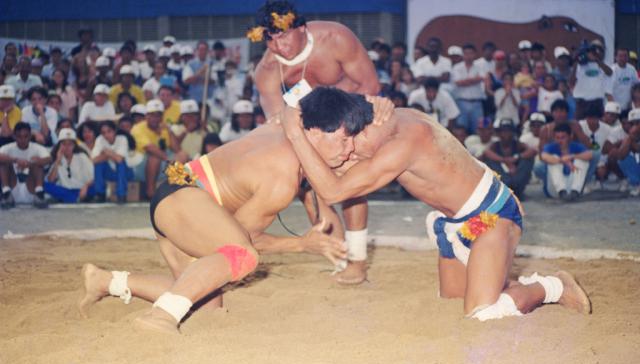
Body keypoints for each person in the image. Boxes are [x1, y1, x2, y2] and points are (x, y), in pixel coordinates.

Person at [76, 94, 389, 335]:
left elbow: (297, 108)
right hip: (184, 201)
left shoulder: (282, 126)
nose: (348, 150)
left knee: (205, 303)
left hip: (180, 194)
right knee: (243, 257)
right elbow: (243, 238)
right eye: (344, 139)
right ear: (317, 132)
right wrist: (300, 245)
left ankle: (107, 281)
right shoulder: (282, 178)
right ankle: (160, 317)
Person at [283, 87, 592, 322]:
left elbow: (334, 191)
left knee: (483, 312)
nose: (341, 154)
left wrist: (295, 133)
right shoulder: (369, 124)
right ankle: (495, 271)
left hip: (492, 218)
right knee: (452, 297)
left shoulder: (400, 141)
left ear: (343, 129)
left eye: (335, 144)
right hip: (457, 225)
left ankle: (553, 287)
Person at [249, 1, 380, 285]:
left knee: (349, 179)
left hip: (355, 113)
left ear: (301, 27)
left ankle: (357, 259)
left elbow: (370, 84)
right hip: (308, 133)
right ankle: (339, 255)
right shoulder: (267, 72)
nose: (278, 45)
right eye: (270, 39)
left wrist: (333, 117)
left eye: (283, 34)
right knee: (309, 188)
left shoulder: (335, 38)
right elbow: (278, 124)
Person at [130, 99, 185, 199]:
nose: (155, 118)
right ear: (146, 116)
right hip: (141, 166)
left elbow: (177, 149)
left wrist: (169, 131)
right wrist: (169, 160)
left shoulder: (163, 127)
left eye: (158, 115)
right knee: (154, 157)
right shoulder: (137, 128)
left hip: (162, 164)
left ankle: (177, 189)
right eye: (152, 115)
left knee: (183, 155)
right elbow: (150, 148)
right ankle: (150, 192)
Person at [0, 122, 51, 209]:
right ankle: (6, 192)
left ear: (30, 136)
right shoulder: (7, 147)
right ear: (14, 136)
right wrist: (16, 160)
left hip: (31, 189)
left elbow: (49, 159)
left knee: (37, 161)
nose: (22, 140)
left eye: (26, 136)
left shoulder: (37, 148)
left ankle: (39, 193)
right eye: (19, 136)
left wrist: (31, 163)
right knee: (4, 161)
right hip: (13, 189)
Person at [482, 118, 535, 198]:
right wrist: (504, 161)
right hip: (503, 181)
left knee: (528, 160)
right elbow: (486, 152)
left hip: (517, 179)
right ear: (499, 133)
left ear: (513, 132)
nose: (506, 134)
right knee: (490, 161)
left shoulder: (517, 144)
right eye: (503, 131)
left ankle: (517, 189)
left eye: (508, 131)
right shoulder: (495, 145)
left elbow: (532, 151)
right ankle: (503, 190)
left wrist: (517, 158)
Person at [540, 123, 593, 200]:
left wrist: (572, 156)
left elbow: (590, 155)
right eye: (557, 138)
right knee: (553, 159)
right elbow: (544, 156)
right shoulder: (550, 147)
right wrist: (563, 160)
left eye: (563, 137)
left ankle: (575, 191)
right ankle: (562, 191)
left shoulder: (576, 145)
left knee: (581, 160)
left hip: (572, 186)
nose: (559, 140)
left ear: (570, 136)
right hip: (554, 189)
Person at [44, 128, 95, 203]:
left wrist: (85, 187)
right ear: (59, 145)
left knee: (96, 188)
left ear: (74, 145)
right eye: (64, 144)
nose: (67, 147)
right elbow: (51, 180)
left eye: (70, 144)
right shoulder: (58, 158)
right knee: (45, 185)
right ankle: (74, 199)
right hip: (65, 189)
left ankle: (69, 199)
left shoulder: (82, 156)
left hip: (81, 189)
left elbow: (94, 177)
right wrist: (58, 161)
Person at [92, 121, 135, 203]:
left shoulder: (122, 139)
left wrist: (106, 152)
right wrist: (111, 155)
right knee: (99, 165)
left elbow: (120, 160)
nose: (106, 135)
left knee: (121, 164)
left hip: (126, 173)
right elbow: (94, 160)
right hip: (110, 173)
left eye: (109, 131)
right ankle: (100, 194)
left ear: (114, 131)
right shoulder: (99, 139)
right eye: (103, 132)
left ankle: (121, 194)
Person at [570, 40, 612, 119]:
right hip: (582, 102)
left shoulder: (603, 63)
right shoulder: (580, 64)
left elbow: (609, 72)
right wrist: (575, 63)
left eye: (600, 50)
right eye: (594, 49)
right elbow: (571, 81)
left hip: (597, 101)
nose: (597, 52)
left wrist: (596, 60)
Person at [452, 43, 485, 134]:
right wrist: (475, 80)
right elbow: (458, 83)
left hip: (477, 103)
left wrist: (465, 81)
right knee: (461, 130)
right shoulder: (457, 67)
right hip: (461, 102)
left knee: (478, 130)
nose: (468, 56)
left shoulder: (480, 67)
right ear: (463, 55)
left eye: (471, 53)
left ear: (475, 54)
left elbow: (481, 78)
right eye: (466, 53)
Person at [614, 108, 640, 196]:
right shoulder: (629, 137)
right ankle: (637, 184)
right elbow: (621, 156)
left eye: (637, 123)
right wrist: (630, 138)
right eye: (632, 123)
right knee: (623, 159)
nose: (634, 126)